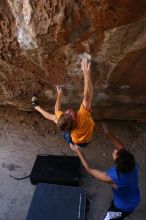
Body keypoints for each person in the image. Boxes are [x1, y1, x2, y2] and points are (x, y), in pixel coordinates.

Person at [70, 122, 140, 220]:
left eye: (116, 154)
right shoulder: (131, 164)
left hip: (122, 207)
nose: (115, 151)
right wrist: (108, 133)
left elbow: (90, 170)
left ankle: (122, 216)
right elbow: (122, 147)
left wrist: (78, 152)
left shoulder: (113, 177)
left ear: (117, 164)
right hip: (134, 197)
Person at [32, 58, 95, 147]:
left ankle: (36, 107)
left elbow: (56, 110)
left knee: (54, 118)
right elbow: (87, 98)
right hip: (83, 140)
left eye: (65, 113)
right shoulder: (82, 118)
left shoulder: (63, 118)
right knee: (74, 141)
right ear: (75, 120)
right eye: (70, 114)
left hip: (75, 137)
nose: (68, 111)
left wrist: (60, 94)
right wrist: (86, 75)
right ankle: (73, 145)